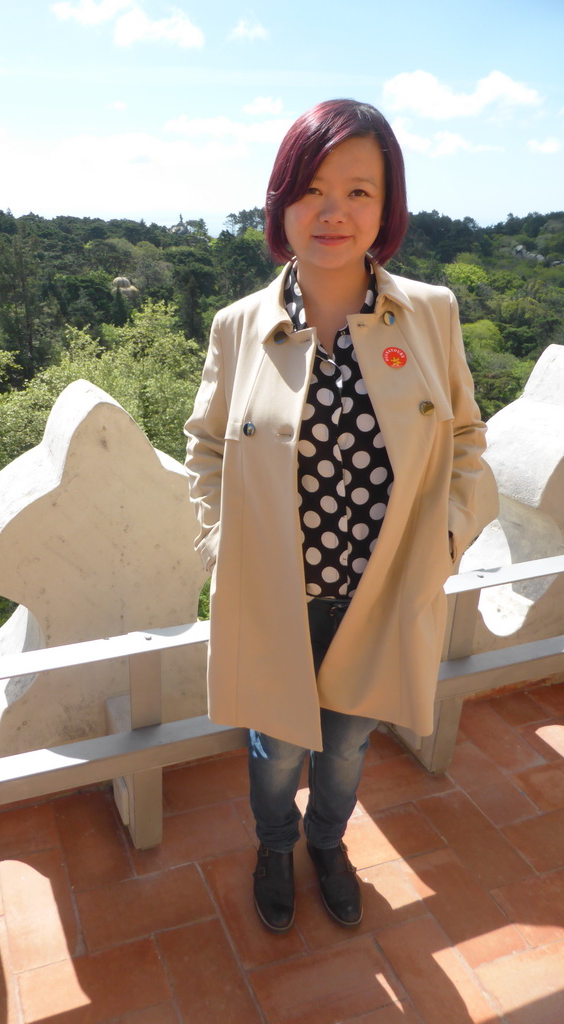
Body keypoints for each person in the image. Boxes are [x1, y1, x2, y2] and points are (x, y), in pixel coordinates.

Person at [184, 99, 495, 933]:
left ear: (386, 207)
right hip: (275, 594)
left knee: (350, 745)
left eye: (360, 192)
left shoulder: (429, 312)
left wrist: (452, 539)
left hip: (385, 590)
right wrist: (222, 544)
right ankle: (274, 844)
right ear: (281, 200)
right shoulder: (240, 326)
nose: (333, 212)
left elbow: (467, 435)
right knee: (278, 746)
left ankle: (329, 842)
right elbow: (206, 447)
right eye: (312, 188)